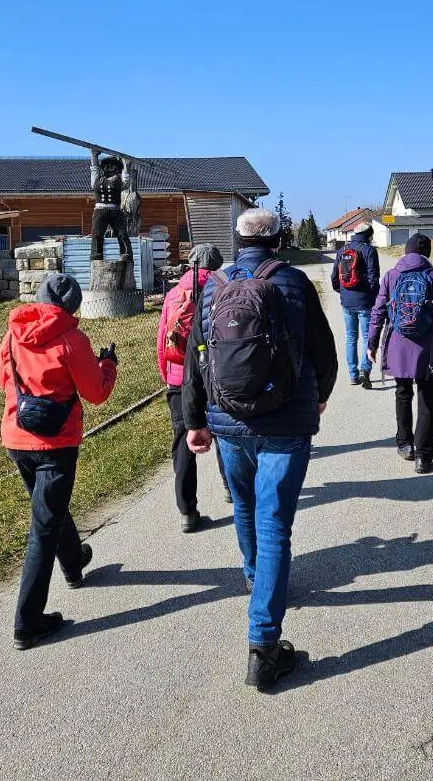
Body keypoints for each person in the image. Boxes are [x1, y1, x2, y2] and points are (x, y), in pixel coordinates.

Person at [182, 208, 337, 690]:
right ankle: (263, 647)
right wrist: (322, 395)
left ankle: (255, 578)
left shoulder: (213, 286)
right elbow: (324, 352)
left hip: (229, 421)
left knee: (245, 506)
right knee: (274, 524)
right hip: (286, 422)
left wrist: (194, 422)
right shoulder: (293, 284)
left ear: (236, 240)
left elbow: (196, 355)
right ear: (278, 240)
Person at [0, 273, 118, 649]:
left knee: (50, 509)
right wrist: (108, 365)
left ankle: (73, 563)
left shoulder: (15, 330)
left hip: (17, 435)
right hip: (56, 443)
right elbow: (95, 393)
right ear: (74, 305)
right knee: (43, 527)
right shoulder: (72, 339)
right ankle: (26, 622)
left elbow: (3, 377)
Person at [367, 234, 433, 474]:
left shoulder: (391, 276)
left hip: (399, 344)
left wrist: (372, 343)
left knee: (402, 393)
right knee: (427, 399)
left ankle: (405, 444)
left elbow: (378, 311)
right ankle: (424, 456)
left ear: (405, 252)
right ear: (427, 254)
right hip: (429, 348)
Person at [156, 243, 231, 531]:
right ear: (217, 265)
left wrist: (170, 377)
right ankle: (230, 488)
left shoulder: (175, 293)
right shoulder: (223, 289)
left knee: (183, 442)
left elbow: (163, 337)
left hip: (179, 380)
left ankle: (187, 511)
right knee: (224, 432)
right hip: (215, 375)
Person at [330, 221, 380, 388]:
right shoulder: (370, 251)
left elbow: (334, 278)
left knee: (351, 337)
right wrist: (376, 298)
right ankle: (365, 371)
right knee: (367, 337)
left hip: (347, 301)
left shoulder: (342, 250)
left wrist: (342, 292)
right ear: (369, 235)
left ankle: (353, 374)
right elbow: (374, 279)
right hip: (365, 301)